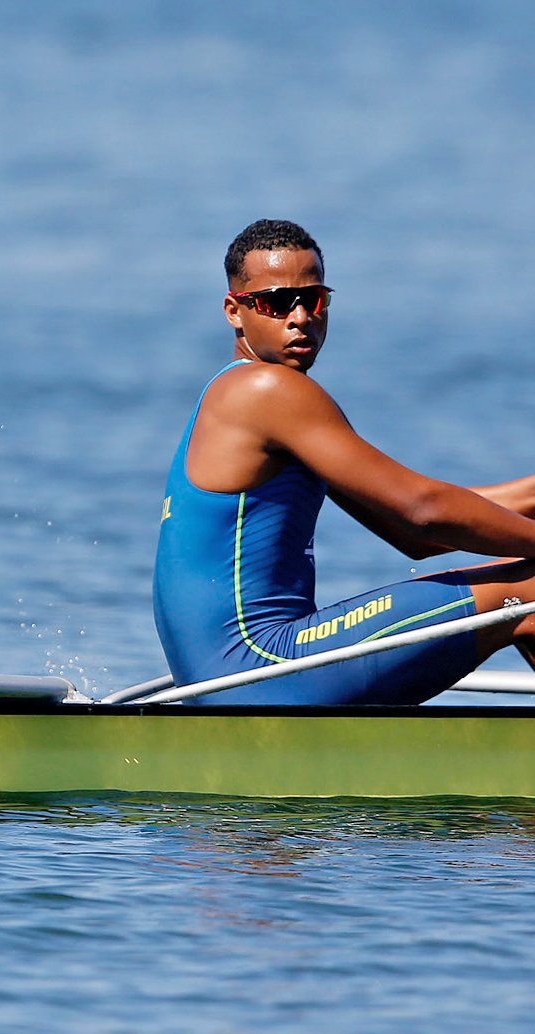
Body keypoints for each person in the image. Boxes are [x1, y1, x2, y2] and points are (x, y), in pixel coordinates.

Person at [153, 217, 535, 705]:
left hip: (231, 678)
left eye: (312, 299)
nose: (299, 317)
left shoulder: (240, 394)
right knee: (529, 588)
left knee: (519, 578)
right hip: (261, 666)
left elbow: (413, 534)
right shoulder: (269, 390)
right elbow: (424, 510)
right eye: (273, 303)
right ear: (234, 311)